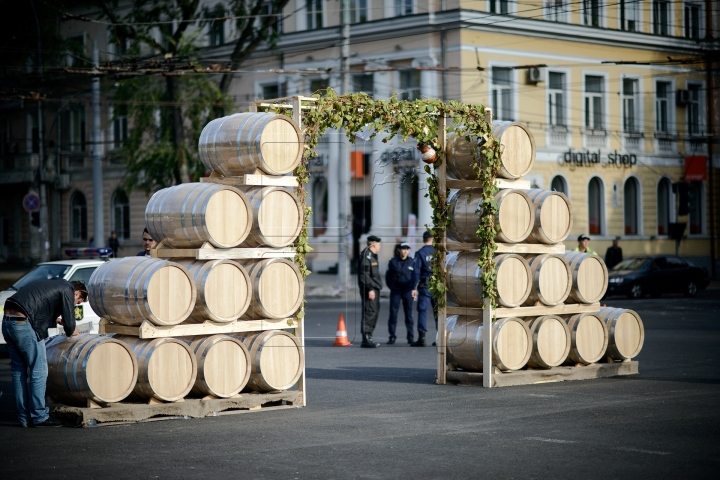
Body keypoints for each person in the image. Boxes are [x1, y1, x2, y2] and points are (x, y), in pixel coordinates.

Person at [2, 279, 86, 427]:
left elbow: (37, 306)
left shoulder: (53, 283)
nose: (75, 304)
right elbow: (70, 320)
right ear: (77, 293)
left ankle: (23, 417)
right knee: (39, 370)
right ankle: (39, 416)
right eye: (78, 301)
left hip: (8, 322)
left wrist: (57, 320)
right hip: (23, 324)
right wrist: (71, 328)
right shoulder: (68, 288)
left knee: (18, 371)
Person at [385, 243, 419, 345]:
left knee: (409, 314)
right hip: (396, 290)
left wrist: (413, 288)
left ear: (408, 251)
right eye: (403, 249)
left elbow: (415, 276)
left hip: (408, 290)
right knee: (393, 314)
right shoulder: (393, 262)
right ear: (399, 250)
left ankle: (410, 336)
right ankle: (392, 336)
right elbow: (388, 276)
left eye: (407, 249)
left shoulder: (412, 262)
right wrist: (392, 287)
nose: (405, 251)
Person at [412, 231, 437, 347]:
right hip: (438, 286)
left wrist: (413, 287)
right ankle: (440, 338)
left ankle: (422, 338)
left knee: (422, 311)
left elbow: (416, 272)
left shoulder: (420, 253)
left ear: (423, 239)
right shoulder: (440, 252)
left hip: (425, 286)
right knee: (439, 312)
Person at [358, 235, 383, 348]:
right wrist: (370, 289)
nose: (380, 246)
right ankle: (366, 338)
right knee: (369, 312)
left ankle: (369, 336)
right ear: (373, 245)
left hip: (374, 288)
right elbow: (364, 275)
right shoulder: (366, 256)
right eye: (378, 244)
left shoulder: (371, 256)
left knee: (373, 312)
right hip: (370, 289)